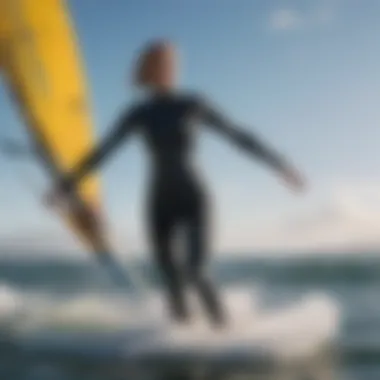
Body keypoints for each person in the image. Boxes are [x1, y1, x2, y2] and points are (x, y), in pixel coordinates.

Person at [49, 40, 305, 327]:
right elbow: (102, 152)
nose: (170, 69)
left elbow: (238, 136)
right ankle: (181, 342)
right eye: (162, 64)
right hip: (159, 201)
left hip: (193, 197)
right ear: (149, 70)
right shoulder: (138, 113)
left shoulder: (193, 104)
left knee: (195, 271)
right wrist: (66, 185)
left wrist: (280, 164)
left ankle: (224, 333)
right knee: (170, 278)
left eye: (172, 64)